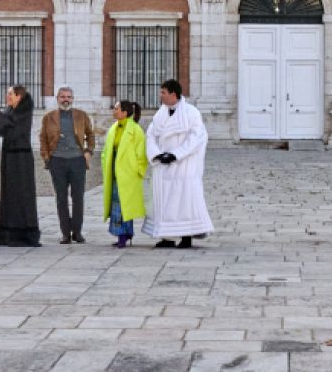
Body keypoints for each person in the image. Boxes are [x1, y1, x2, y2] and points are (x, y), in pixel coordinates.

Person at [143, 79, 212, 249]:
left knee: (184, 200)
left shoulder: (191, 113)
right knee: (164, 201)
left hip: (183, 166)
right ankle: (166, 237)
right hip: (164, 166)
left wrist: (176, 154)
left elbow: (197, 138)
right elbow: (151, 136)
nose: (161, 96)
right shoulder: (160, 114)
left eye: (163, 92)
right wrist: (157, 154)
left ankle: (186, 236)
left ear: (173, 94)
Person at [39, 86, 96, 244]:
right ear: (57, 99)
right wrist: (46, 157)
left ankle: (77, 232)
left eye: (69, 97)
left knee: (78, 197)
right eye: (63, 96)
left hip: (77, 161)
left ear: (72, 99)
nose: (66, 99)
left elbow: (91, 135)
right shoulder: (49, 117)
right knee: (61, 198)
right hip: (57, 161)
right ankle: (65, 233)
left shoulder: (81, 115)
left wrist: (88, 152)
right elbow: (42, 138)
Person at [0, 85, 41, 247]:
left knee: (22, 194)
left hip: (21, 159)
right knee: (9, 193)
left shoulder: (23, 113)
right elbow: (2, 126)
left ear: (19, 96)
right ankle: (7, 231)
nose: (7, 97)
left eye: (10, 94)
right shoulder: (11, 112)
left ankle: (22, 233)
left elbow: (12, 131)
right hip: (10, 157)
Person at [101, 100, 148, 249]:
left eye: (116, 109)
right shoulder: (113, 128)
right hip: (114, 171)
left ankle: (124, 235)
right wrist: (104, 163)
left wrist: (139, 170)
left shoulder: (136, 130)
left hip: (129, 173)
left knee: (124, 204)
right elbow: (107, 149)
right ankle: (124, 233)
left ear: (125, 112)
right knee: (116, 203)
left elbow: (142, 152)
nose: (113, 111)